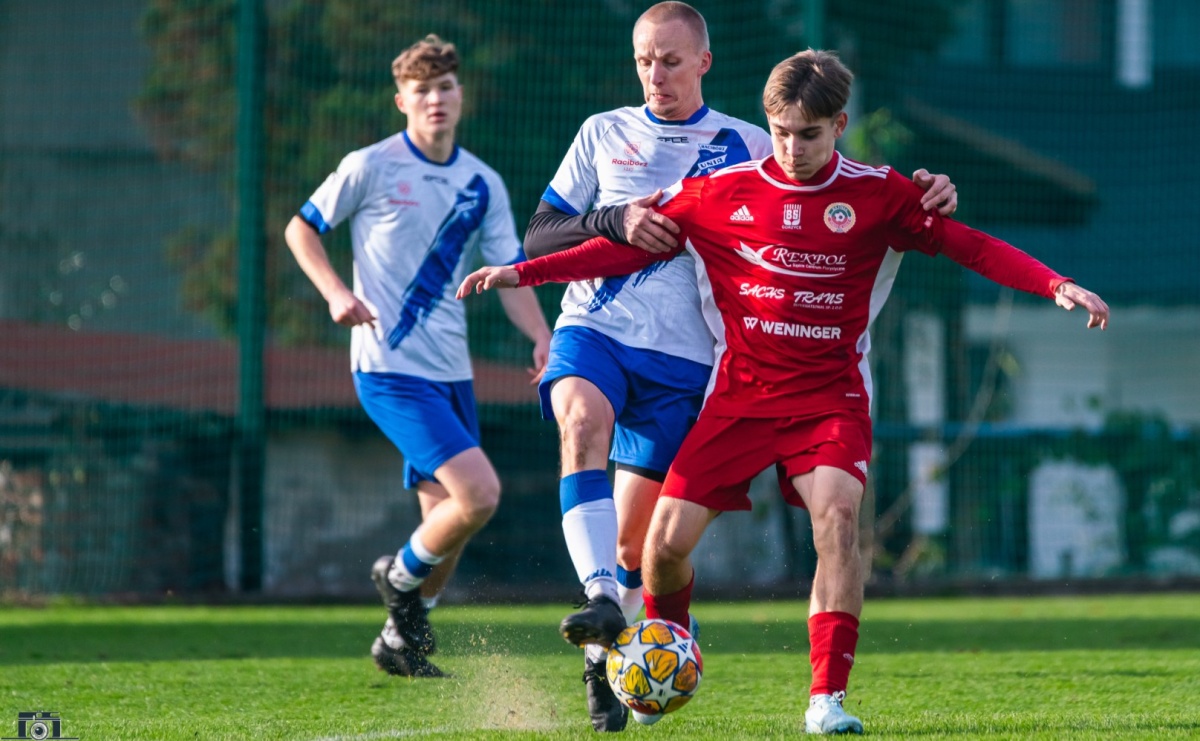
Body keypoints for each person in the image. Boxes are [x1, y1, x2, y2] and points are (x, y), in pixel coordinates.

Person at [458, 48, 1109, 734]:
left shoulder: (880, 193)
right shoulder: (720, 191)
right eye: (783, 132)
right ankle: (665, 651)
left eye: (810, 134)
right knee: (662, 549)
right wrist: (524, 272)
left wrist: (1054, 283)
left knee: (836, 519)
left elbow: (968, 245)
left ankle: (826, 699)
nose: (794, 149)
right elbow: (631, 248)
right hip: (739, 398)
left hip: (830, 401)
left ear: (839, 125)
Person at [522, 2, 958, 732]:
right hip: (597, 328)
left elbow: (836, 196)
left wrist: (925, 196)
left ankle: (610, 653)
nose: (654, 74)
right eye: (642, 60)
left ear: (704, 63)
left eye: (669, 60)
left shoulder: (758, 142)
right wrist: (613, 219)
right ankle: (600, 599)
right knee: (580, 421)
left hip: (691, 362)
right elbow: (541, 233)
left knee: (642, 545)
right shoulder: (602, 132)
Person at [283, 35, 551, 679]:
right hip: (388, 370)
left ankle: (397, 640)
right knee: (481, 494)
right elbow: (301, 228)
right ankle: (396, 578)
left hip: (451, 373)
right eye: (423, 89)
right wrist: (336, 294)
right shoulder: (370, 165)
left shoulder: (480, 182)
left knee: (448, 524)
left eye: (446, 87)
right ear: (402, 100)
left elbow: (506, 273)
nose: (436, 99)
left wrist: (543, 337)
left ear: (461, 97)